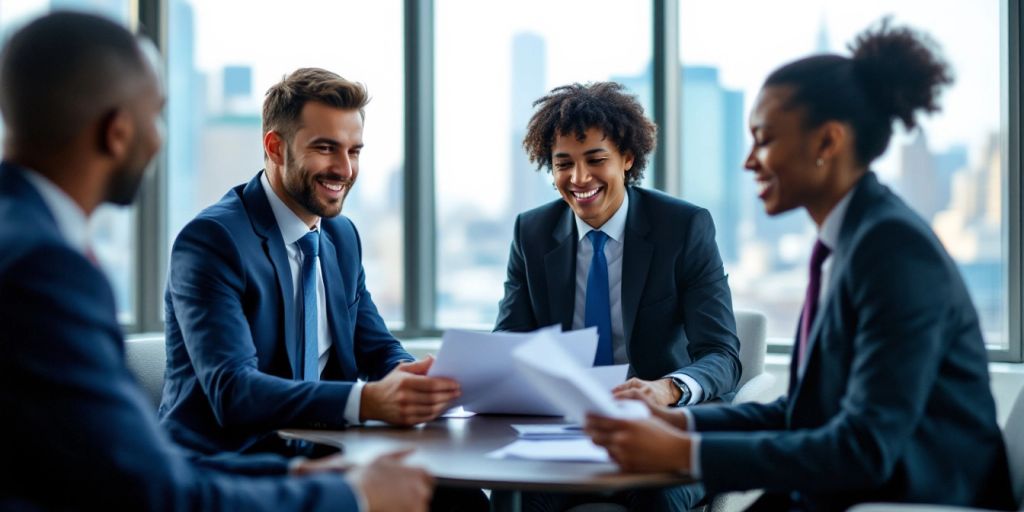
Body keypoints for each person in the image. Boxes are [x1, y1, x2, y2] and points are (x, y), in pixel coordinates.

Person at [0, 11, 433, 511]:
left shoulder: (28, 239)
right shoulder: (47, 268)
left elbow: (115, 462)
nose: (160, 139)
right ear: (117, 132)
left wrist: (304, 471)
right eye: (156, 115)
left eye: (354, 149)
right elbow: (146, 483)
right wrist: (349, 494)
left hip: (253, 464)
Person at [584, 20, 1016, 511]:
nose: (750, 161)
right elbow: (805, 412)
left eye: (764, 139)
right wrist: (677, 422)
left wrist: (687, 452)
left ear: (827, 143)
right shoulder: (847, 240)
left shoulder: (893, 250)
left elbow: (865, 448)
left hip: (911, 498)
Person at [160, 67, 488, 511]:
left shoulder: (339, 236)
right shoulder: (213, 241)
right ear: (275, 147)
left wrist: (422, 380)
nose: (345, 169)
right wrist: (367, 400)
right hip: (231, 468)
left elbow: (377, 350)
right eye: (325, 148)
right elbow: (234, 392)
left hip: (321, 451)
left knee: (460, 499)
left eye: (354, 150)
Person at [496, 81, 742, 511]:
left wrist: (668, 389)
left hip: (659, 429)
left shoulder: (683, 228)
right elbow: (510, 344)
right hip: (564, 434)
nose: (578, 178)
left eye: (595, 160)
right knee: (510, 494)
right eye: (563, 164)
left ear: (627, 159)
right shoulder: (531, 233)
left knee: (658, 497)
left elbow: (722, 354)